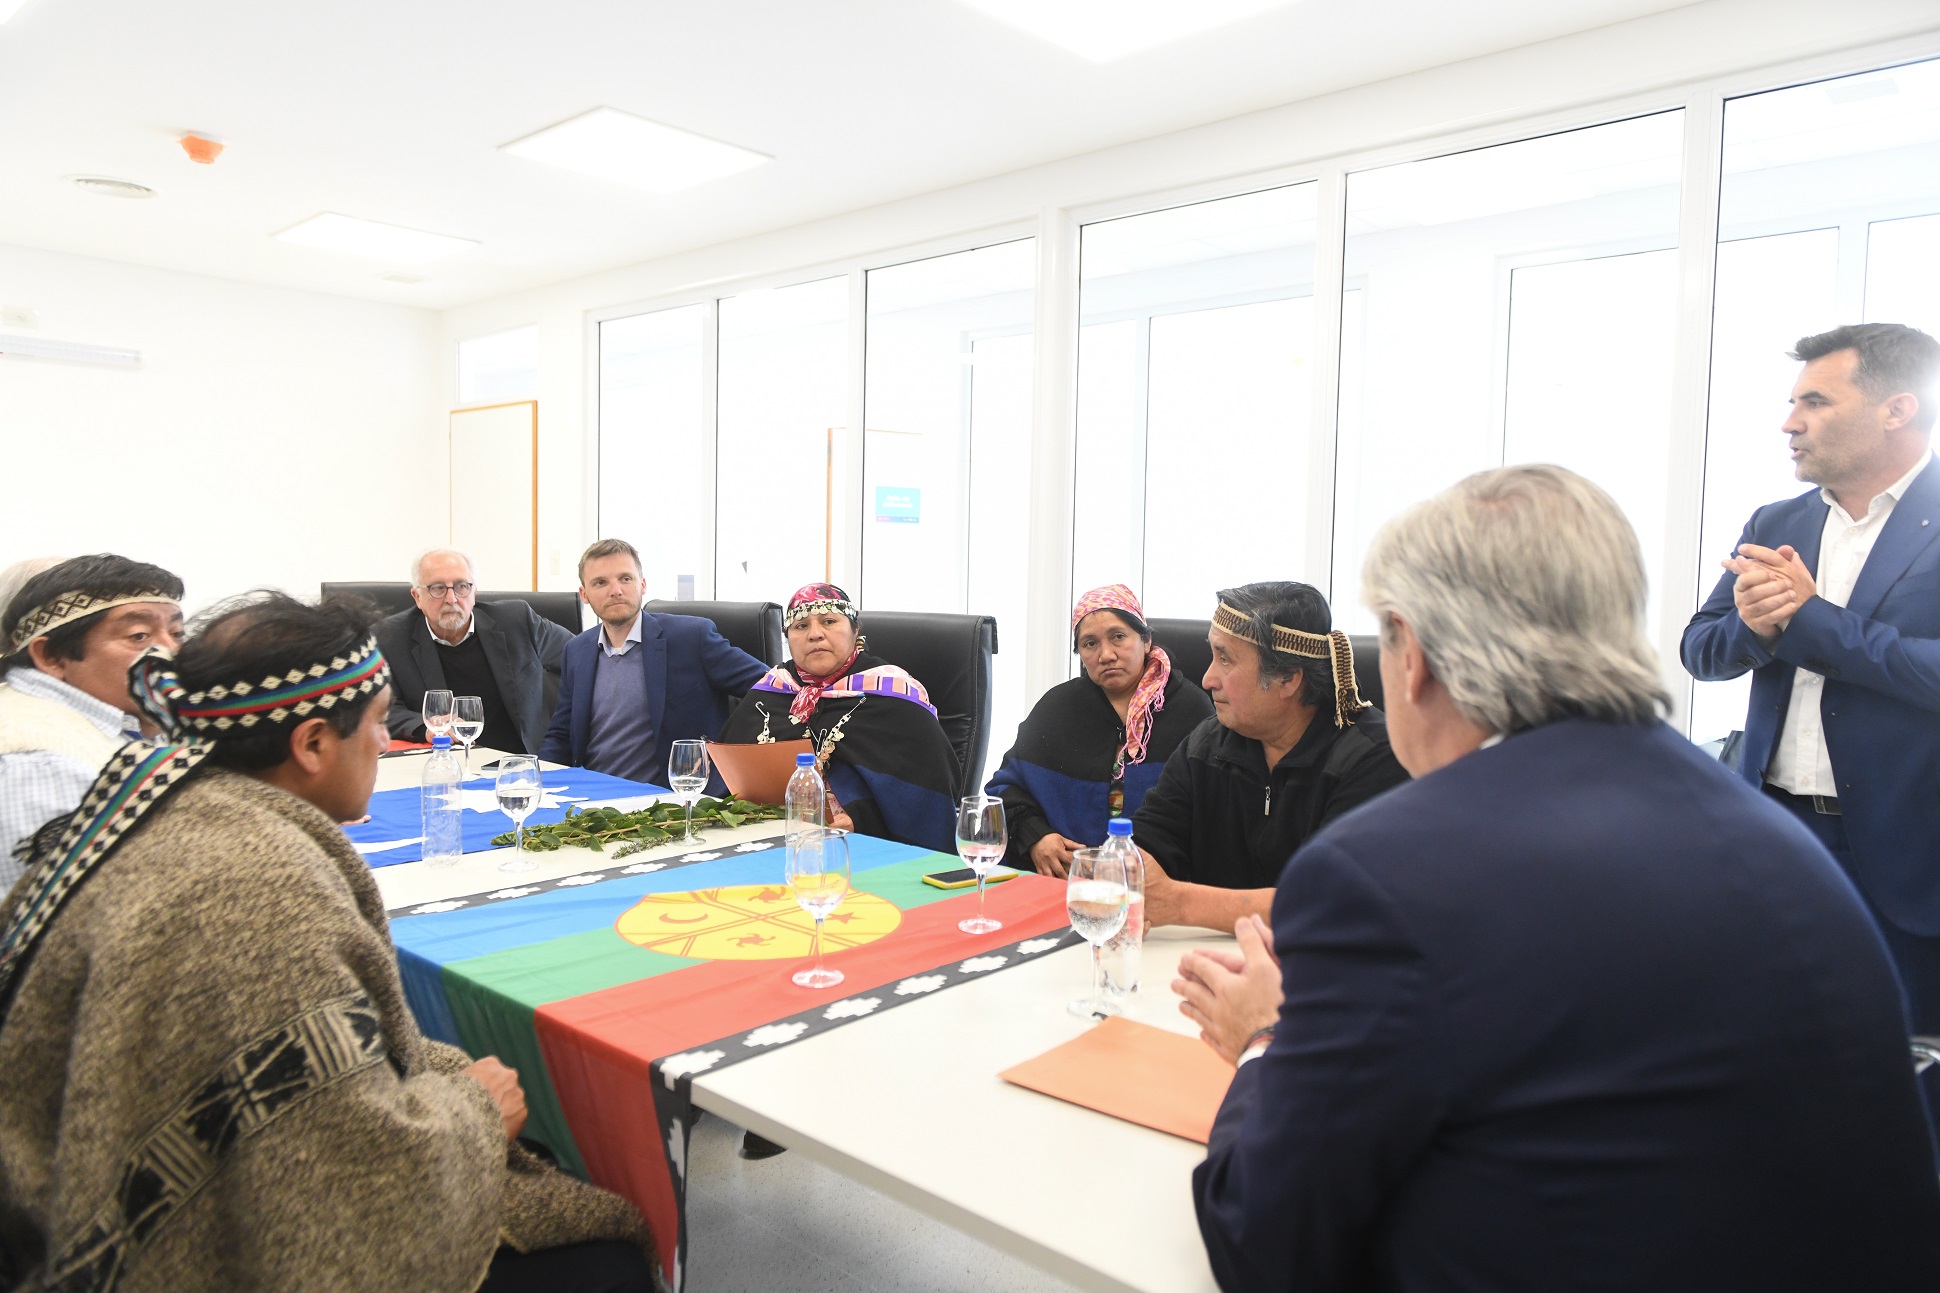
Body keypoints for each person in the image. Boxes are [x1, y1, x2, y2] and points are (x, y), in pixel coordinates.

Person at [1180, 465, 1940, 1292]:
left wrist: (1266, 1039)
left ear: (1415, 658)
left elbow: (1262, 1243)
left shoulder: (1387, 873)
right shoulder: (1779, 842)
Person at [0, 592, 654, 1291]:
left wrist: (435, 1070)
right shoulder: (256, 886)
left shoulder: (169, 807)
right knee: (602, 1245)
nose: (384, 743)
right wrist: (472, 1111)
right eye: (376, 725)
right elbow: (339, 1182)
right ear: (311, 742)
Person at [1683, 322, 1940, 1087]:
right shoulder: (1778, 522)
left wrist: (1814, 620)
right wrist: (1756, 627)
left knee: (1901, 1072)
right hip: (1773, 833)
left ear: (1898, 409)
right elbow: (1702, 649)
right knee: (1770, 1052)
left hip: (1906, 853)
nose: (1790, 422)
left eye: (1816, 401)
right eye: (1793, 402)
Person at [1130, 581, 1406, 930]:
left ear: (1288, 678)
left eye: (1225, 659)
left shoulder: (1373, 759)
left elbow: (1330, 901)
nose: (1207, 678)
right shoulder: (1207, 745)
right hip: (1199, 963)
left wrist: (1178, 903)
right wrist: (1129, 870)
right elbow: (1149, 846)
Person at [986, 584, 1211, 877]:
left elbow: (1213, 816)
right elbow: (1004, 791)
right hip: (1062, 884)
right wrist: (1036, 837)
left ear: (1146, 640)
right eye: (1090, 643)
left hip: (1158, 889)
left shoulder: (1193, 712)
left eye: (1118, 637)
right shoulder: (1057, 708)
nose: (1106, 655)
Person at [717, 583, 959, 852]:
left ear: (855, 631)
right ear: (787, 638)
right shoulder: (771, 690)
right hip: (767, 842)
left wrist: (863, 823)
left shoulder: (894, 693)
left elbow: (929, 796)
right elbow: (725, 781)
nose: (815, 635)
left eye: (829, 621)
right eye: (801, 626)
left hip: (868, 849)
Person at [0, 553, 184, 883]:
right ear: (51, 656)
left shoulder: (133, 724)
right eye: (139, 636)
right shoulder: (40, 761)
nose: (169, 650)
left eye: (177, 633)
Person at [540, 539, 767, 788]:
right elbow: (561, 736)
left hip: (667, 802)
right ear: (584, 594)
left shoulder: (691, 638)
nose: (615, 590)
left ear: (643, 584)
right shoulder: (577, 651)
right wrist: (539, 784)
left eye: (625, 579)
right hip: (592, 795)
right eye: (600, 582)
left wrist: (727, 757)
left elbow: (770, 688)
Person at [375, 548, 571, 755]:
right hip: (449, 763)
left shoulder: (517, 620)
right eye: (438, 588)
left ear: (474, 592)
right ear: (417, 597)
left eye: (461, 587)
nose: (451, 598)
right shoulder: (389, 637)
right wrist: (427, 727)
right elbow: (379, 709)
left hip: (525, 762)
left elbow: (582, 656)